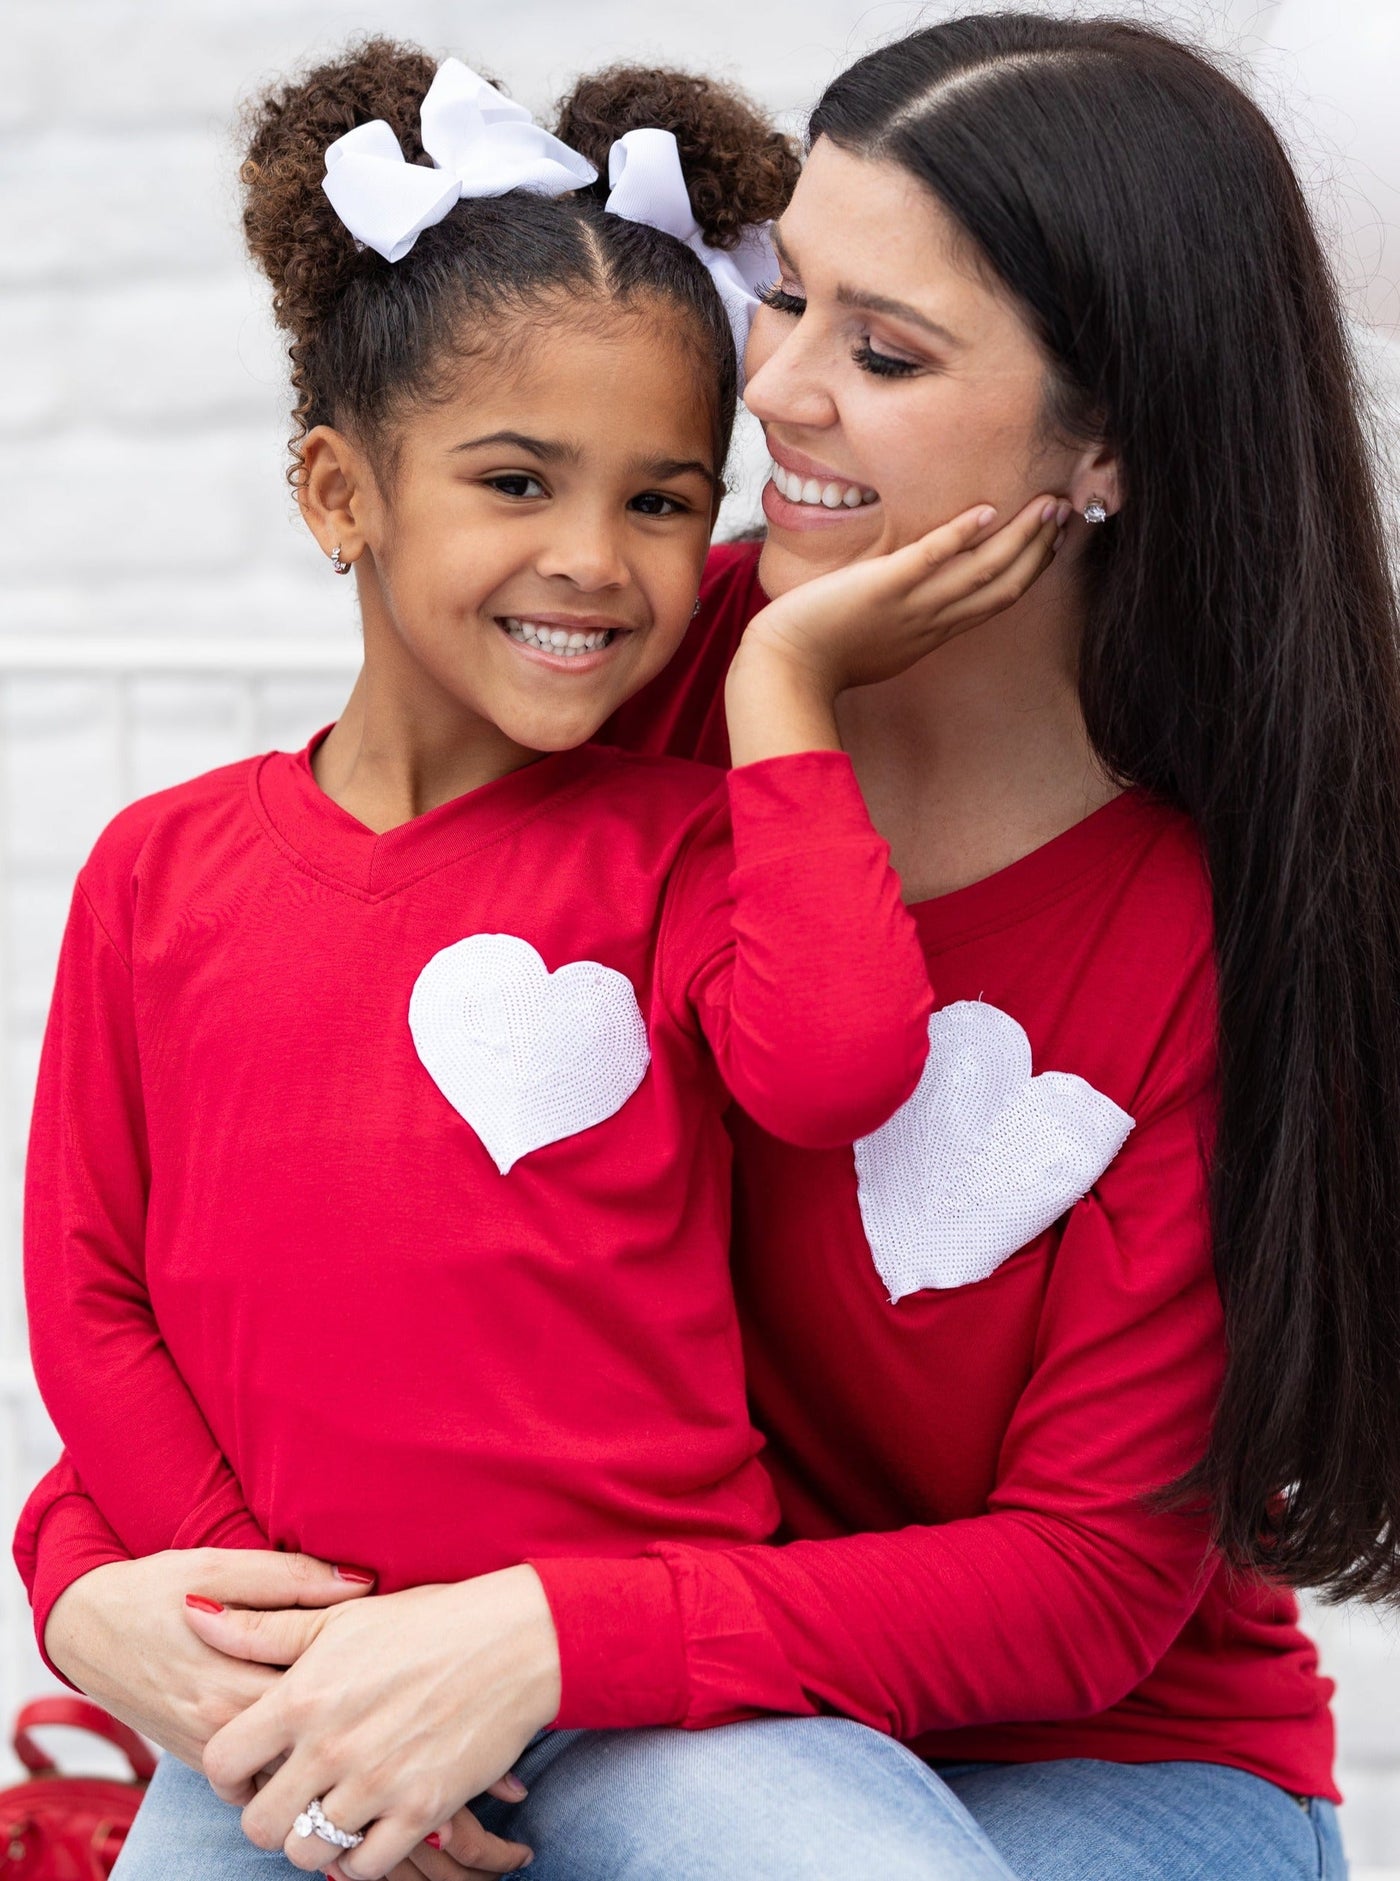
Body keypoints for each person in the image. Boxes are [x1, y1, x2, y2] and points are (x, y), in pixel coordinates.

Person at [21, 11, 1400, 1878]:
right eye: (790, 300)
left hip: (1089, 1756)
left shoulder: (1221, 912)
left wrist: (547, 1636)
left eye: (885, 348)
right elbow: (311, 1232)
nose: (776, 397)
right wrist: (88, 1573)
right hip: (560, 1687)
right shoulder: (610, 651)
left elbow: (1084, 1589)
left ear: (1113, 442)